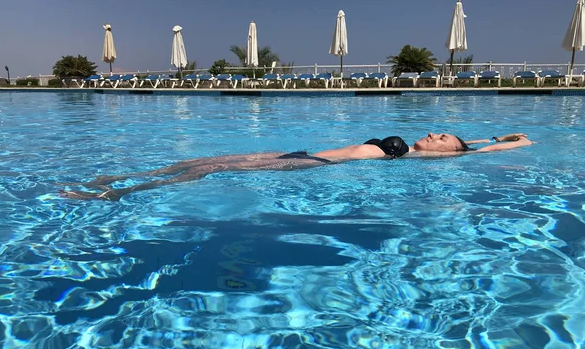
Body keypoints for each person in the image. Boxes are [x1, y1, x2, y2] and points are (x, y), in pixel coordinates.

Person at [60, 132, 533, 201]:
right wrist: (488, 134)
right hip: (299, 153)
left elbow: (508, 145)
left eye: (442, 138)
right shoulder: (409, 146)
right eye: (436, 131)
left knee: (209, 171)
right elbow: (487, 140)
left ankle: (118, 193)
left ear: (451, 152)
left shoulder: (431, 161)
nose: (433, 135)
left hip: (309, 168)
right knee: (197, 159)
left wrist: (501, 143)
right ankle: (112, 179)